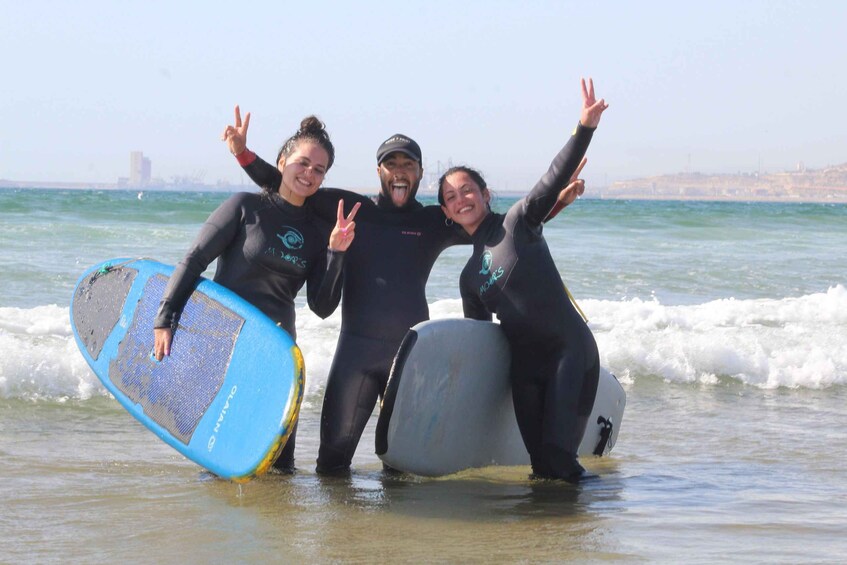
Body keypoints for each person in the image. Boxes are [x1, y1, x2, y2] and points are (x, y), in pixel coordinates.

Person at [229, 109, 582, 474]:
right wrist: (243, 154)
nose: (399, 170)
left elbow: (503, 230)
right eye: (390, 163)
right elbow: (290, 184)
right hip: (356, 356)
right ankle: (339, 534)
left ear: (419, 173)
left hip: (414, 359)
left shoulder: (432, 221)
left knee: (403, 471)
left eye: (408, 164)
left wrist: (556, 204)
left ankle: (401, 533)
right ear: (379, 171)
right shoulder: (352, 209)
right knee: (331, 466)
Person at [153, 113, 360, 472]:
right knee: (219, 456)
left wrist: (336, 253)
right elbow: (194, 259)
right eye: (303, 163)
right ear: (282, 162)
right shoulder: (244, 207)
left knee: (280, 466)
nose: (310, 173)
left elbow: (322, 306)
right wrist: (165, 317)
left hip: (277, 350)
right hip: (223, 343)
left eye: (320, 170)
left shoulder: (317, 232)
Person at [437, 78, 608, 482]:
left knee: (559, 459)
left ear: (485, 193)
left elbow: (555, 174)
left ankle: (594, 533)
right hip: (525, 370)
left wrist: (584, 127)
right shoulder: (467, 279)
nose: (461, 199)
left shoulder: (519, 222)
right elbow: (481, 341)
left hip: (570, 352)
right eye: (450, 197)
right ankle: (542, 542)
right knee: (539, 470)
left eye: (467, 190)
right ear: (446, 211)